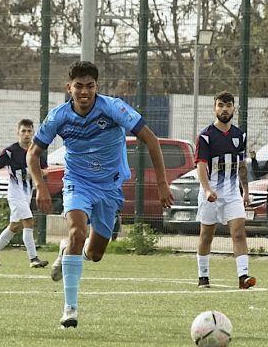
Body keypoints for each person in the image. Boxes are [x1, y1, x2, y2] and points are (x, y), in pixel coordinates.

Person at [28, 60, 174, 328]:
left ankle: (67, 251)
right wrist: (40, 185)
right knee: (76, 232)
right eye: (79, 86)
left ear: (97, 87)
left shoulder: (114, 108)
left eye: (90, 86)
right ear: (69, 87)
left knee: (95, 253)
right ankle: (69, 309)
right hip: (78, 182)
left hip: (110, 187)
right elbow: (33, 154)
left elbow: (151, 140)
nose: (85, 92)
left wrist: (163, 183)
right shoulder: (59, 116)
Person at [193, 92, 256, 289]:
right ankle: (203, 276)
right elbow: (201, 166)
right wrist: (207, 190)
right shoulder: (205, 137)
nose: (224, 109)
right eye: (220, 105)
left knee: (238, 232)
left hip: (231, 193)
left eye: (228, 105)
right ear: (215, 108)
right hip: (210, 193)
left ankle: (243, 277)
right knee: (206, 236)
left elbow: (242, 165)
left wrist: (245, 190)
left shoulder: (240, 135)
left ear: (234, 109)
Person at [0, 118, 49, 268]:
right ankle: (34, 259)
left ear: (33, 132)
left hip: (27, 192)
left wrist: (37, 172)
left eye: (29, 131)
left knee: (14, 226)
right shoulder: (10, 151)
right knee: (29, 222)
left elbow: (45, 170)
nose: (26, 134)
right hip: (15, 192)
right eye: (23, 131)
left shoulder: (37, 151)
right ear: (18, 133)